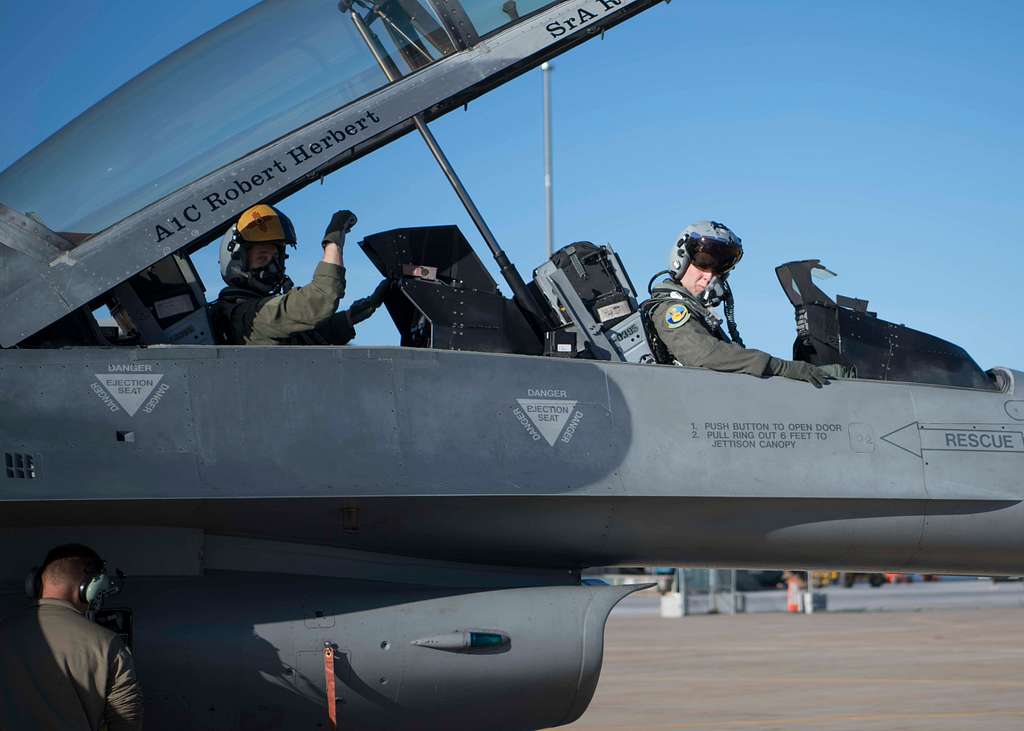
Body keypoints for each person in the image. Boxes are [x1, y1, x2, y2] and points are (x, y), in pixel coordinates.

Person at [647, 220, 833, 387]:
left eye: (720, 268)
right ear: (681, 259)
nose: (709, 276)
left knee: (836, 375)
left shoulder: (697, 312)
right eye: (703, 263)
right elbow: (705, 354)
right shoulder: (670, 309)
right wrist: (780, 367)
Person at [0, 544, 142, 730]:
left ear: (35, 583)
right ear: (90, 584)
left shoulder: (4, 632)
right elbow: (127, 724)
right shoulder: (108, 644)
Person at [213, 204, 390, 345]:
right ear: (238, 263)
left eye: (275, 258)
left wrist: (355, 314)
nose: (272, 267)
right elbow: (321, 296)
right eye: (262, 257)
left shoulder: (255, 316)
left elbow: (304, 341)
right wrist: (333, 241)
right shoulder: (247, 316)